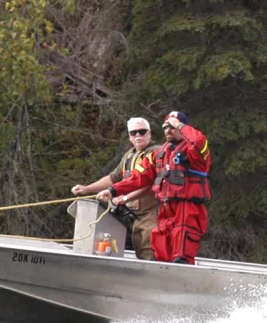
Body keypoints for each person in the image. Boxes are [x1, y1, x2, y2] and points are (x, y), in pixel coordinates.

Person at [97, 111, 210, 264]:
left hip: (187, 208)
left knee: (182, 247)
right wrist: (112, 191)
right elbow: (137, 178)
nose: (168, 130)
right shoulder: (159, 154)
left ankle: (181, 277)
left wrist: (181, 126)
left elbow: (198, 141)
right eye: (166, 127)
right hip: (165, 209)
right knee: (159, 245)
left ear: (183, 128)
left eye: (173, 126)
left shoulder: (195, 152)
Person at [72, 117, 161, 260]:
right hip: (136, 216)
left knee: (150, 251)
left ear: (149, 134)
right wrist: (87, 189)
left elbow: (152, 185)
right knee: (139, 250)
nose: (138, 135)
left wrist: (124, 198)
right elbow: (113, 178)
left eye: (142, 132)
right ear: (130, 137)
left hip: (153, 213)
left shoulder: (157, 153)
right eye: (134, 133)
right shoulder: (129, 155)